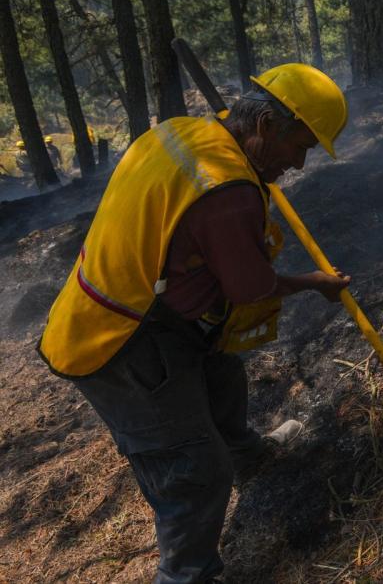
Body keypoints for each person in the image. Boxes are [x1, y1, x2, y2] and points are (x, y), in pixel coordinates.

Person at [39, 63, 352, 584]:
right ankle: (188, 575)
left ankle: (249, 456)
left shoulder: (182, 133)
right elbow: (251, 287)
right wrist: (314, 283)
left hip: (134, 306)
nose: (297, 164)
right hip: (121, 340)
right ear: (265, 127)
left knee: (223, 372)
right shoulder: (226, 190)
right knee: (193, 471)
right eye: (300, 147)